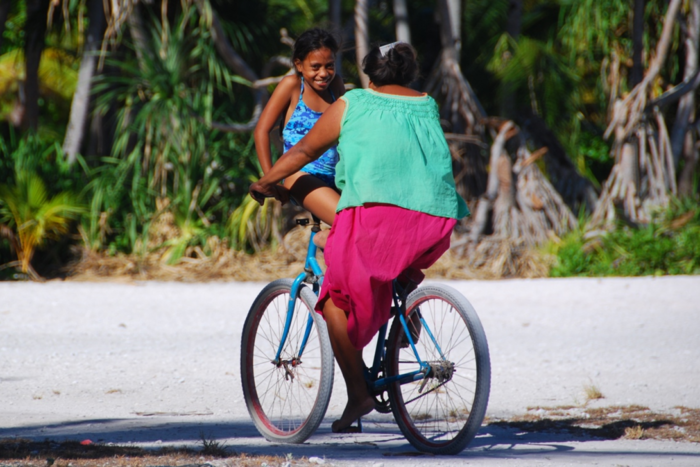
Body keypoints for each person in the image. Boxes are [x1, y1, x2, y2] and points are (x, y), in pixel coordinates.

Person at [249, 42, 469, 433]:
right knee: (372, 262)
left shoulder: (352, 102)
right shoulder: (427, 103)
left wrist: (265, 181)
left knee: (333, 304)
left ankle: (358, 395)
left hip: (373, 217)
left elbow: (301, 150)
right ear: (410, 74)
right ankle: (403, 318)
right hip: (435, 221)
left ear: (370, 75)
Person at [254, 28, 344, 246]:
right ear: (298, 64)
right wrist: (272, 182)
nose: (323, 73)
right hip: (300, 175)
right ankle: (325, 244)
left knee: (374, 223)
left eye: (329, 65)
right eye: (315, 67)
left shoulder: (336, 86)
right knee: (350, 225)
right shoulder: (293, 86)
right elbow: (261, 131)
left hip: (337, 175)